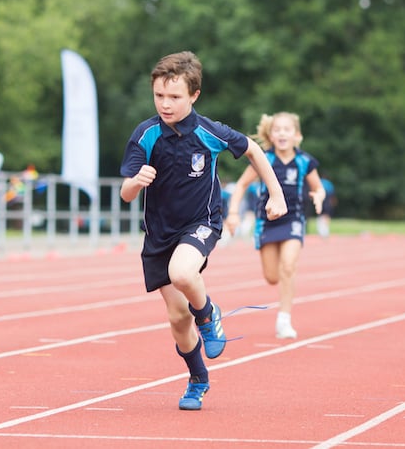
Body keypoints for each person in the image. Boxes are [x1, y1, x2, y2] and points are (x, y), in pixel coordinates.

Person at [119, 51, 288, 411]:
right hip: (158, 235)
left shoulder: (209, 132)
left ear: (194, 95)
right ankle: (198, 379)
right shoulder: (146, 134)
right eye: (159, 96)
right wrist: (136, 182)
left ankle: (209, 313)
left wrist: (276, 194)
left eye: (175, 97)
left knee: (182, 273)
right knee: (178, 318)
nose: (165, 104)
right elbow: (126, 193)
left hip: (201, 223)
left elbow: (254, 151)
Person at [224, 112, 326, 340]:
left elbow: (318, 187)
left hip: (293, 220)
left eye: (287, 129)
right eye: (277, 129)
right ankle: (283, 285)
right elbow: (240, 186)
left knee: (288, 267)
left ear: (297, 135)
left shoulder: (304, 161)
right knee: (272, 276)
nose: (282, 133)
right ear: (271, 134)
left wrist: (318, 196)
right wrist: (232, 214)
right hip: (267, 222)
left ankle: (284, 319)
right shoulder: (264, 159)